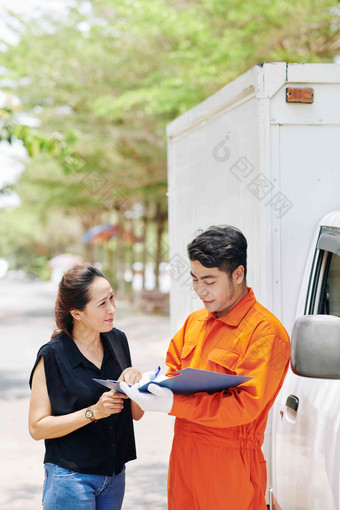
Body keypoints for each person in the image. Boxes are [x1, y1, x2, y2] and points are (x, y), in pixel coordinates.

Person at [121, 226, 290, 510]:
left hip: (230, 463)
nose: (200, 290)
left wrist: (174, 403)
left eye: (209, 281)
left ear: (237, 274)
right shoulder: (194, 323)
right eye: (195, 279)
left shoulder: (264, 332)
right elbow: (172, 371)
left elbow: (245, 406)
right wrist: (148, 383)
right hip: (184, 456)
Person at [29, 264, 143, 510]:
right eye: (102, 304)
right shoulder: (51, 356)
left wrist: (135, 385)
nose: (112, 308)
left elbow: (137, 414)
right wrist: (94, 412)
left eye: (112, 298)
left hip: (114, 476)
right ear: (77, 313)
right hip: (70, 479)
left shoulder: (118, 340)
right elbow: (37, 428)